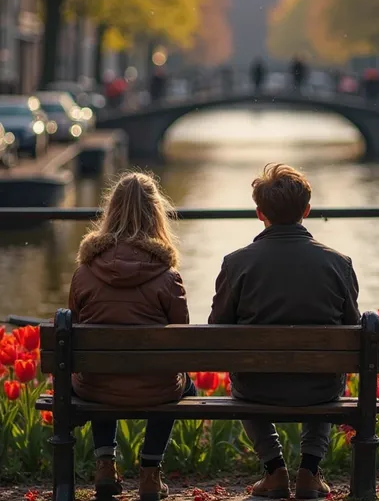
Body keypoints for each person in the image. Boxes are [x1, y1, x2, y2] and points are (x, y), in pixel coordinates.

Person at [209, 164, 360, 499]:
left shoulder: (237, 263)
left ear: (259, 213)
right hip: (319, 388)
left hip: (257, 387)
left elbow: (217, 329)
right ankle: (309, 471)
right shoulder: (338, 263)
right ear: (306, 211)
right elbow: (353, 327)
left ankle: (275, 470)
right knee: (327, 373)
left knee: (245, 378)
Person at [69, 172, 195, 500]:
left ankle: (105, 465)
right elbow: (182, 340)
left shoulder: (84, 272)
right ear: (157, 214)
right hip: (157, 389)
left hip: (96, 386)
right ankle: (151, 474)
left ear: (110, 212)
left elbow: (77, 324)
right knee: (174, 378)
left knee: (100, 371)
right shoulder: (168, 277)